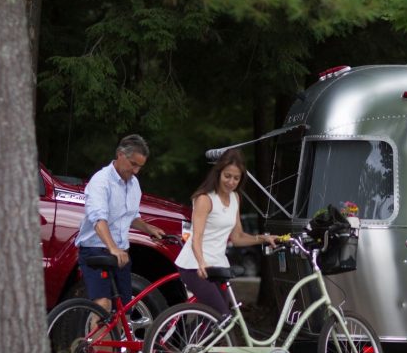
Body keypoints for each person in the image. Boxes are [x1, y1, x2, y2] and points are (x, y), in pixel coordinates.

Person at [175, 148, 276, 318]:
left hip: (218, 266)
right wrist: (201, 262)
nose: (231, 182)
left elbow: (237, 237)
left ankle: (196, 336)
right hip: (194, 265)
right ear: (218, 173)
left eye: (236, 178)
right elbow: (196, 237)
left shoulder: (235, 198)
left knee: (216, 319)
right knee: (221, 316)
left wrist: (264, 238)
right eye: (227, 176)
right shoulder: (205, 199)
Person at [76, 134, 165, 313]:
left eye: (140, 167)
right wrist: (113, 248)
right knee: (103, 305)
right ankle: (96, 332)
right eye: (133, 164)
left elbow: (130, 217)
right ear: (120, 155)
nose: (136, 171)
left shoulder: (134, 184)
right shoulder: (101, 181)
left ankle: (116, 333)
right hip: (96, 250)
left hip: (121, 253)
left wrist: (149, 228)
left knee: (123, 310)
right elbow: (98, 219)